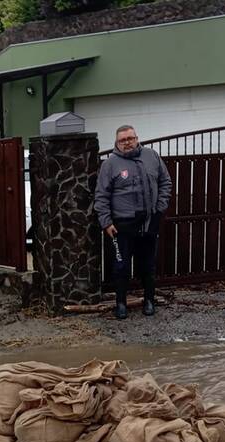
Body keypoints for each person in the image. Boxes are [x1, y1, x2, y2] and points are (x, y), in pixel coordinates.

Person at [94, 125, 172, 319]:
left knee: (148, 265)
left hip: (148, 222)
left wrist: (160, 208)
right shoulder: (110, 165)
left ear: (137, 138)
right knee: (121, 266)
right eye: (123, 140)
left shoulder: (151, 156)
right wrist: (106, 222)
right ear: (117, 143)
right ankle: (121, 304)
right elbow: (101, 195)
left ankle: (149, 301)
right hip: (122, 226)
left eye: (131, 138)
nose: (127, 143)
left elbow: (165, 182)